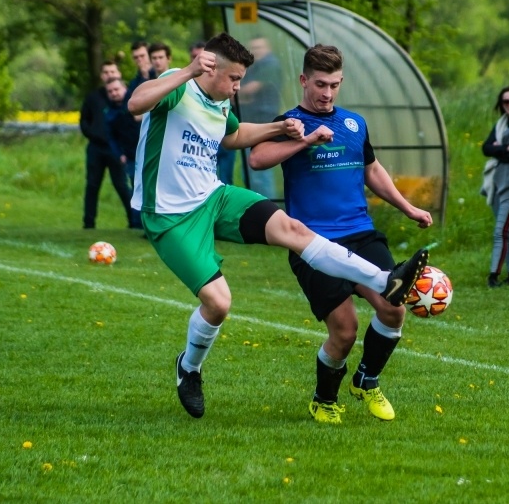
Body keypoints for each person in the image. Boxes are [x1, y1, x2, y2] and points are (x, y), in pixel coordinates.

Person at [127, 33, 429, 420]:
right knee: (219, 303)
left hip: (214, 197)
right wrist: (186, 70)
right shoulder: (178, 85)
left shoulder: (220, 103)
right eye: (234, 79)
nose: (238, 87)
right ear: (210, 68)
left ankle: (386, 281)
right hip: (170, 214)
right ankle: (189, 367)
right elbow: (136, 104)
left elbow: (235, 136)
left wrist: (280, 128)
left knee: (292, 230)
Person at [249, 44, 433, 424]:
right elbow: (256, 158)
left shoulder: (354, 124)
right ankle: (324, 399)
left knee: (393, 307)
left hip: (360, 233)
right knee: (346, 331)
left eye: (334, 85)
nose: (327, 93)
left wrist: (408, 207)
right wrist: (303, 140)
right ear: (304, 80)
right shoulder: (290, 123)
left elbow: (372, 170)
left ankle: (367, 379)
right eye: (320, 84)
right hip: (312, 242)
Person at [79, 60, 137, 229]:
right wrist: (93, 134)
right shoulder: (93, 97)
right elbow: (84, 120)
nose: (109, 75)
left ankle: (134, 221)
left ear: (118, 74)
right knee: (92, 184)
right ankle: (88, 223)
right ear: (101, 75)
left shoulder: (128, 98)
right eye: (106, 72)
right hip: (96, 147)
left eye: (112, 72)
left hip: (117, 150)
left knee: (121, 185)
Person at [480, 85, 509, 287]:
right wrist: (508, 148)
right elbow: (486, 148)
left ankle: (494, 275)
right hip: (498, 182)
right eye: (506, 101)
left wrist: (500, 149)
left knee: (501, 230)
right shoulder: (501, 123)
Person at [236, 37, 282, 199]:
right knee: (249, 172)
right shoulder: (254, 67)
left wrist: (239, 95)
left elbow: (248, 90)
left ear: (268, 48)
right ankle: (258, 205)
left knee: (260, 174)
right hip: (251, 122)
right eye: (253, 48)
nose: (256, 51)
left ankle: (268, 207)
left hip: (263, 123)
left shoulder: (270, 65)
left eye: (259, 47)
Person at [104, 77, 142, 229]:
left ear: (124, 88)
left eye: (116, 89)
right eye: (110, 91)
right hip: (130, 156)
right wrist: (119, 154)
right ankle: (137, 223)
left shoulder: (138, 101)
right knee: (136, 188)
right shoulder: (109, 112)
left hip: (148, 152)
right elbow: (111, 137)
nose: (114, 93)